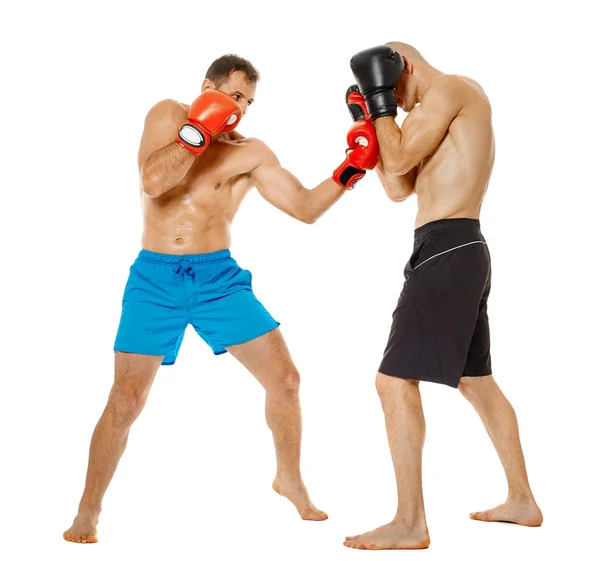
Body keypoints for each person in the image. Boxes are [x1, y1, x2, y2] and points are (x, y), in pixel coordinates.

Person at [63, 53, 378, 544]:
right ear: (207, 87)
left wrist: (350, 169)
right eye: (233, 96)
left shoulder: (250, 152)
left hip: (219, 281)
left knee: (287, 381)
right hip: (155, 280)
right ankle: (88, 509)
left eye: (249, 101)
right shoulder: (168, 114)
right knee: (125, 400)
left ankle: (288, 478)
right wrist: (199, 130)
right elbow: (153, 180)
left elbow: (304, 208)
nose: (241, 109)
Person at [342, 43, 543, 551]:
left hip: (450, 246)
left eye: (393, 91)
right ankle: (522, 500)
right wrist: (369, 129)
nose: (402, 108)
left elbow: (403, 152)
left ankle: (409, 522)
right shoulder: (427, 112)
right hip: (447, 248)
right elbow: (397, 186)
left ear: (400, 68)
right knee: (476, 382)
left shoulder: (454, 87)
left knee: (392, 382)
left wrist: (382, 108)